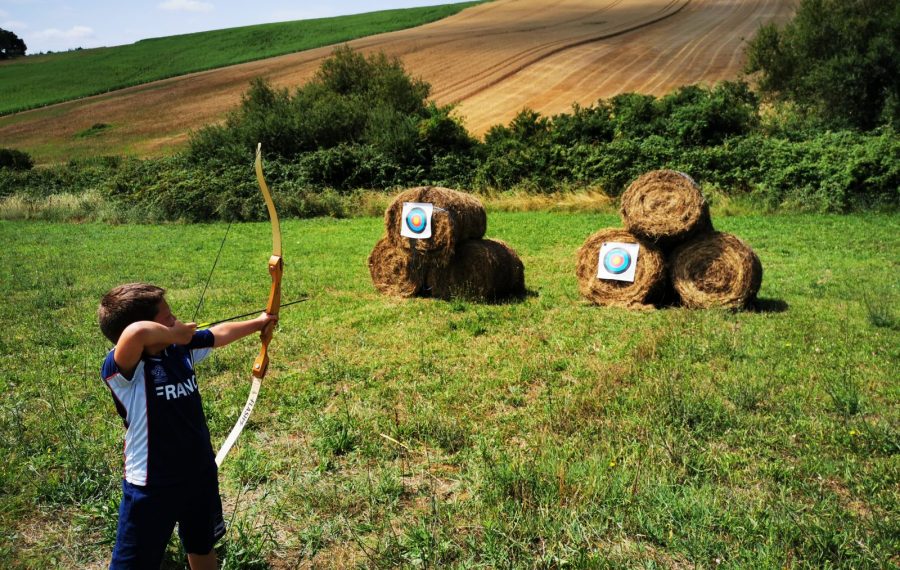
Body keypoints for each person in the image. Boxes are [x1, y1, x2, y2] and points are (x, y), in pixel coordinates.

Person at [97, 282, 277, 569]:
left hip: (198, 472)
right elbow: (135, 333)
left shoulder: (179, 350)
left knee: (201, 544)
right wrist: (174, 333)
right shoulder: (124, 369)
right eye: (167, 319)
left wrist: (259, 323)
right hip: (151, 484)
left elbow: (217, 335)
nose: (176, 321)